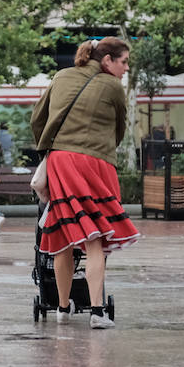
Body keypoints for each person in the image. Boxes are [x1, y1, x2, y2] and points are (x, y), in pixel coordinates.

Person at [30, 37, 140, 328]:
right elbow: (119, 128)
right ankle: (97, 312)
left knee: (64, 237)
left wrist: (50, 150)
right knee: (94, 239)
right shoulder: (113, 86)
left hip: (60, 161)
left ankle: (62, 309)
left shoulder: (61, 76)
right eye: (124, 61)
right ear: (107, 61)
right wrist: (102, 149)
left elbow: (37, 119)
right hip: (94, 163)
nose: (126, 68)